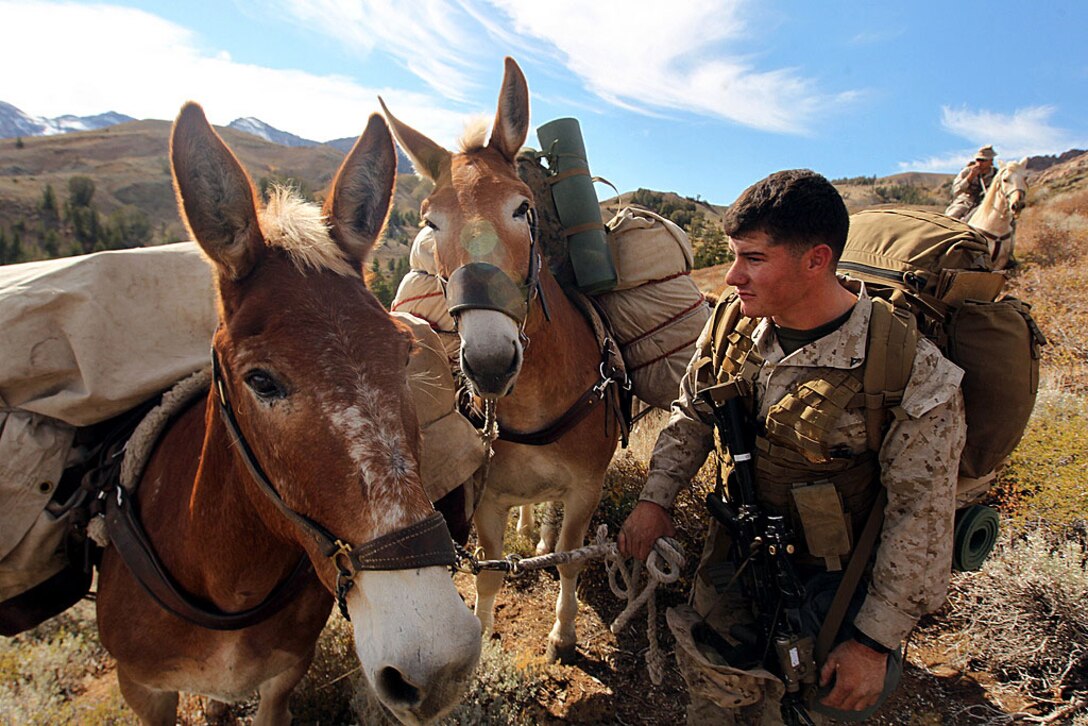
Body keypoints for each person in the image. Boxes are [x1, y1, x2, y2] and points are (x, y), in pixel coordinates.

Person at [618, 169, 967, 724]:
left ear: (816, 260)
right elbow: (693, 412)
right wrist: (654, 499)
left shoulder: (908, 370)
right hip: (736, 555)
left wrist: (873, 643)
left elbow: (920, 516)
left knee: (807, 710)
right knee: (714, 693)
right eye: (734, 256)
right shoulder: (733, 326)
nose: (733, 277)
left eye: (753, 258)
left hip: (834, 589)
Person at [945, 145, 998, 221]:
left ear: (991, 161)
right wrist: (970, 177)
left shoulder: (996, 174)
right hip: (966, 201)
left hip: (986, 204)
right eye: (978, 160)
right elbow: (956, 190)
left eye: (983, 160)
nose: (979, 163)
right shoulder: (967, 171)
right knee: (951, 217)